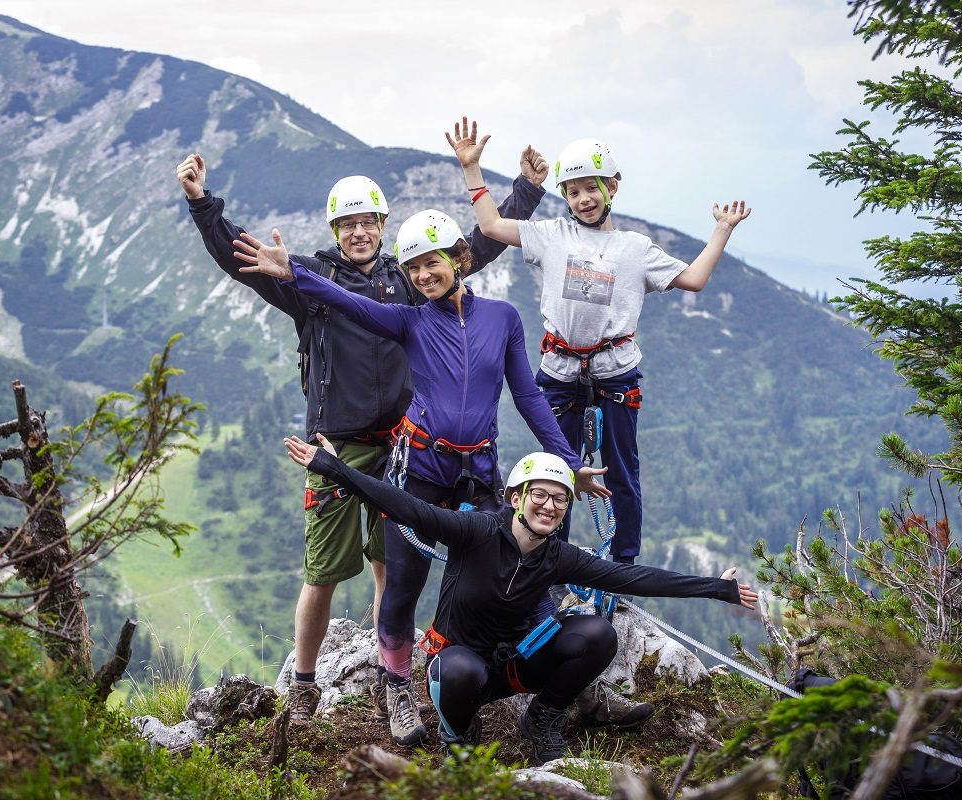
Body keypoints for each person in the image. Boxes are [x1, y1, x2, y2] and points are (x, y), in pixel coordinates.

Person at [176, 151, 547, 726]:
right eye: (347, 224)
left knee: (388, 566)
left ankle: (388, 679)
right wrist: (203, 204)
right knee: (322, 570)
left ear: (382, 224)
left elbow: (479, 244)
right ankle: (303, 683)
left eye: (368, 221)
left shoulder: (412, 278)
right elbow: (242, 257)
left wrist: (526, 188)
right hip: (337, 447)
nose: (358, 232)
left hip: (404, 448)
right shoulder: (312, 282)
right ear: (335, 231)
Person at [232, 208, 609, 746]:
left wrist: (567, 464)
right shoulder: (410, 320)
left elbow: (526, 395)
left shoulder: (502, 319)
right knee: (403, 584)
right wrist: (292, 270)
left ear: (458, 258)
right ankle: (398, 686)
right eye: (412, 269)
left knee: (504, 578)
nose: (422, 275)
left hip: (479, 471)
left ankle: (508, 680)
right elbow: (350, 302)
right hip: (419, 468)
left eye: (431, 263)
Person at [283, 436, 757, 765]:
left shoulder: (558, 556)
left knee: (597, 634)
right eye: (540, 496)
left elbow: (634, 576)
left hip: (516, 666)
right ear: (515, 497)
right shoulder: (474, 532)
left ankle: (543, 719)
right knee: (460, 669)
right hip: (460, 668)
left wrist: (717, 587)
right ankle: (460, 733)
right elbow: (407, 505)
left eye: (560, 500)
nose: (550, 506)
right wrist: (332, 467)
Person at [446, 118, 752, 565]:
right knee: (555, 473)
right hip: (560, 370)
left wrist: (722, 229)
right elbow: (492, 226)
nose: (583, 199)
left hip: (615, 371)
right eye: (573, 191)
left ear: (612, 186)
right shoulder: (552, 235)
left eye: (592, 188)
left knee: (623, 473)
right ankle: (551, 563)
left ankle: (622, 567)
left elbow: (695, 278)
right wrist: (472, 169)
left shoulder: (635, 248)